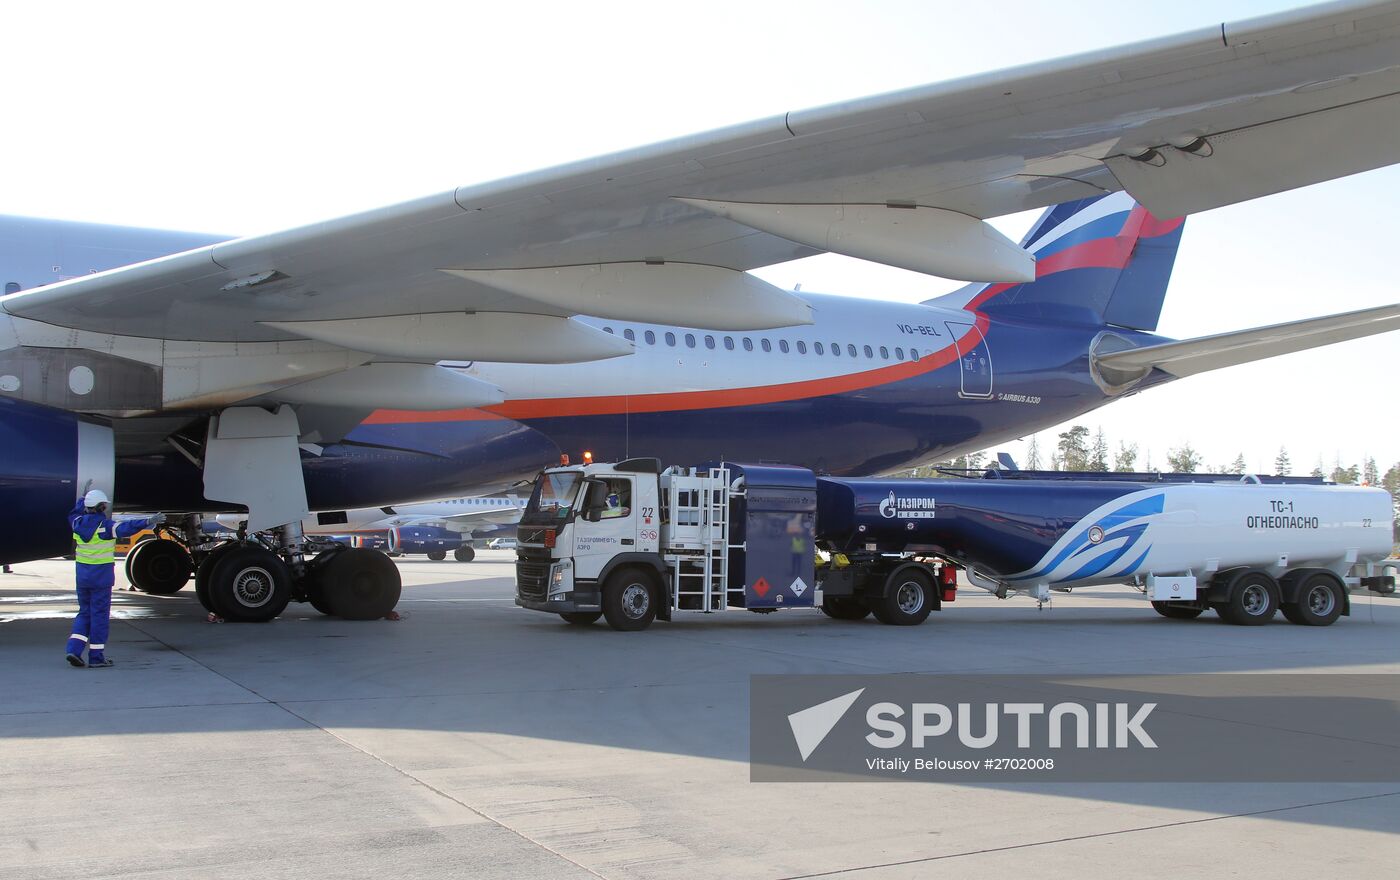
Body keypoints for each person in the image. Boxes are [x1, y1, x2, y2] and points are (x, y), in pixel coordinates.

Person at [65, 485, 163, 668]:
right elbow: (127, 527)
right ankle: (96, 657)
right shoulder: (105, 527)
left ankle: (73, 649)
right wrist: (148, 520)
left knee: (84, 613)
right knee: (99, 617)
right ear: (102, 507)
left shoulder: (77, 523)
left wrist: (82, 498)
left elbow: (73, 512)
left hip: (83, 578)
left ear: (87, 506)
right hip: (101, 579)